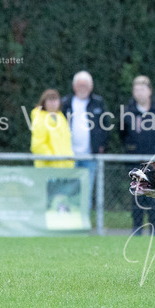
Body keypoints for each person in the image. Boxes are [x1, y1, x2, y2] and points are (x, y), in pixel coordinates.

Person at [119, 75, 155, 234]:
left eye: (142, 89)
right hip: (135, 158)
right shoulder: (127, 110)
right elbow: (122, 133)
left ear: (149, 91)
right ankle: (137, 228)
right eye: (136, 89)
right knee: (137, 193)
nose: (139, 93)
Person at [60, 71, 109, 211]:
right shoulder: (66, 103)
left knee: (86, 191)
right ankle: (67, 221)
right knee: (67, 190)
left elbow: (106, 126)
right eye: (80, 85)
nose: (83, 88)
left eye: (86, 85)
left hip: (90, 156)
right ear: (74, 86)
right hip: (68, 156)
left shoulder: (98, 103)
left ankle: (83, 222)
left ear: (91, 86)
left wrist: (101, 146)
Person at [30, 88, 75, 167]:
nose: (53, 103)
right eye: (50, 100)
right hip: (48, 167)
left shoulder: (61, 117)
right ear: (44, 103)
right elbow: (38, 144)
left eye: (55, 100)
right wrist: (51, 158)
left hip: (65, 165)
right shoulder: (39, 118)